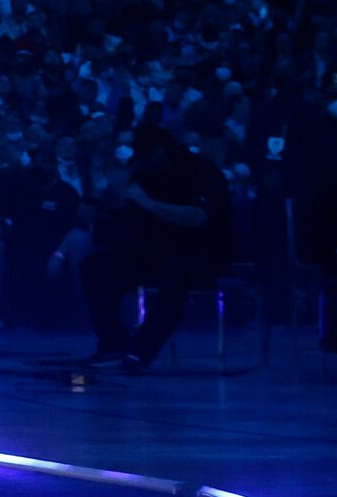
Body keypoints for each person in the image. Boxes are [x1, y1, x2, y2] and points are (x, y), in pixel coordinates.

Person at [78, 122, 232, 370]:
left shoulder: (202, 171)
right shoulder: (147, 175)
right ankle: (114, 343)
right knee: (95, 266)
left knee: (178, 275)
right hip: (156, 251)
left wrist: (149, 204)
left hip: (202, 254)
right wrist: (103, 209)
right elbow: (131, 215)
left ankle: (141, 352)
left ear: (159, 152)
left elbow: (198, 217)